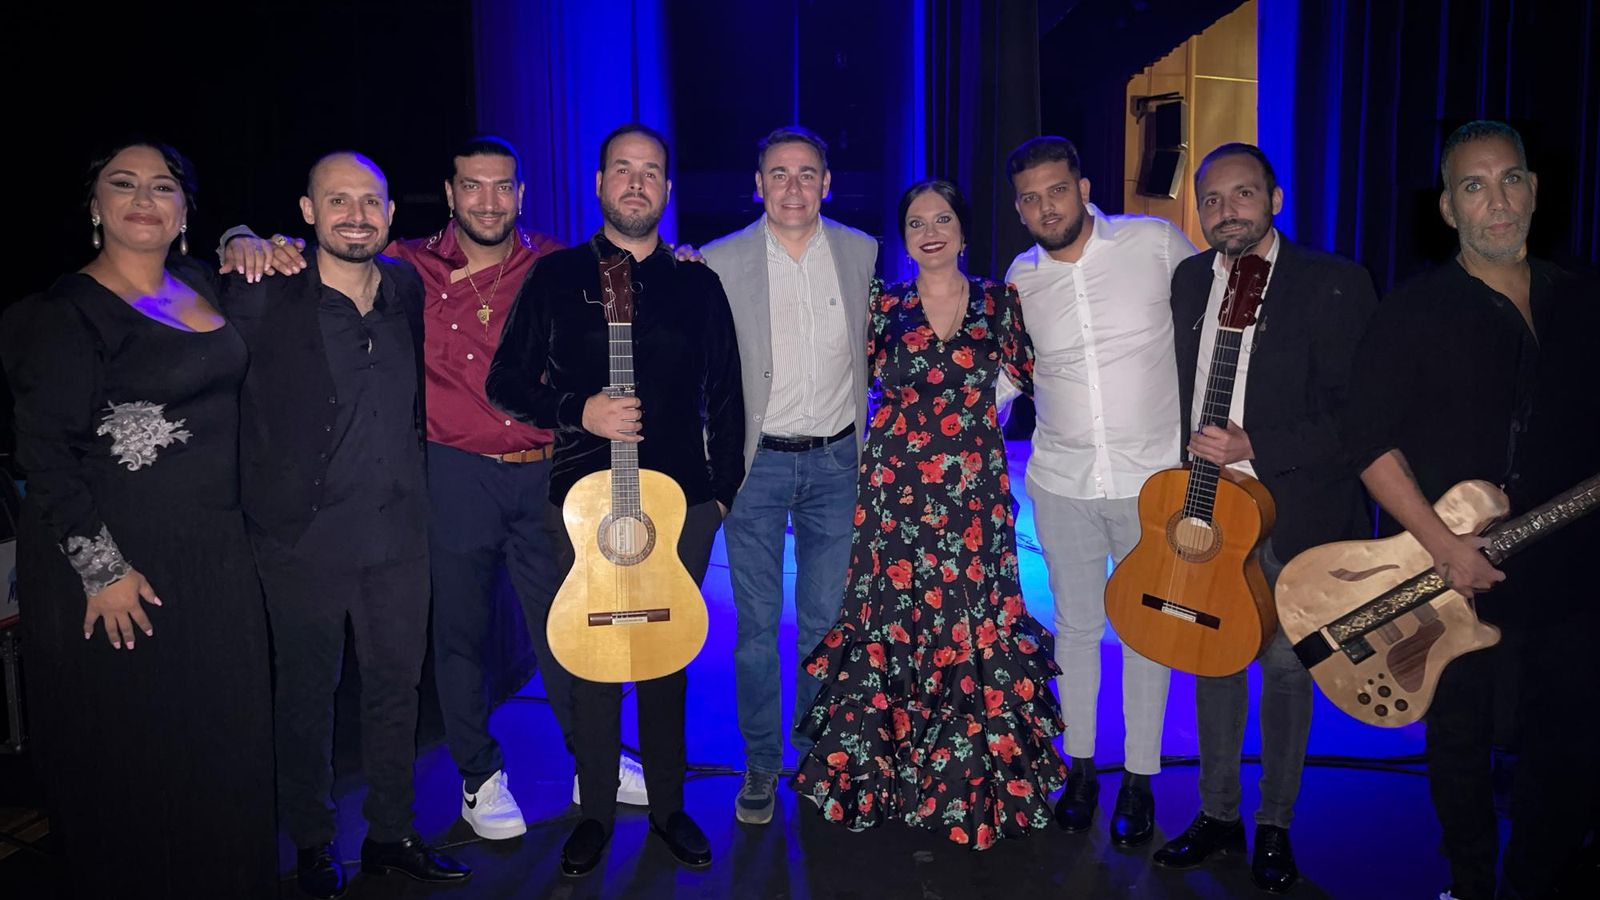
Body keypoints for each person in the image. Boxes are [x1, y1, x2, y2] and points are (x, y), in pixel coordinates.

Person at [220, 138, 650, 836]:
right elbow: (322, 256)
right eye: (472, 186)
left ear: (521, 194)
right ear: (449, 195)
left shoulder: (557, 263)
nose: (489, 200)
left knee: (568, 628)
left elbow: (636, 279)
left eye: (502, 186)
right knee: (458, 636)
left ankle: (593, 759)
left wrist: (680, 258)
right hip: (450, 474)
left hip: (545, 471)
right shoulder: (406, 267)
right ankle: (479, 778)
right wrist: (243, 237)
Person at [0, 140, 276, 898]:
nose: (144, 199)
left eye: (162, 186)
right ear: (94, 207)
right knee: (134, 756)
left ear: (186, 209)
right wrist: (104, 572)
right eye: (123, 185)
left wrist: (242, 235)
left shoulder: (200, 283)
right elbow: (45, 456)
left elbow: (252, 256)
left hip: (215, 556)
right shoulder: (62, 314)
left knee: (225, 742)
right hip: (118, 568)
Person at [1344, 120, 1600, 900]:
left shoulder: (1582, 297)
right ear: (1449, 207)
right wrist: (1444, 547)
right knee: (1461, 738)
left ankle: (1536, 876)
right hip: (1454, 570)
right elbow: (1369, 444)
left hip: (1573, 571)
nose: (1499, 201)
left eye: (1511, 179)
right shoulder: (1413, 312)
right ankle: (1470, 882)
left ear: (1534, 189)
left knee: (1571, 739)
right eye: (1475, 186)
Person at [487, 123, 745, 877]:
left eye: (652, 171)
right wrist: (580, 410)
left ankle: (668, 806)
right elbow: (505, 383)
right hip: (580, 505)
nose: (637, 183)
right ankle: (595, 809)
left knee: (666, 659)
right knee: (591, 658)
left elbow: (728, 394)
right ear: (599, 183)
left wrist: (721, 496)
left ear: (667, 188)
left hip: (682, 508)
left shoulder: (696, 283)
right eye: (623, 170)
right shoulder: (556, 276)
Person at [221, 152, 469, 898]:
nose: (355, 215)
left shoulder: (403, 287)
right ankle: (312, 841)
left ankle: (391, 833)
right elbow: (186, 283)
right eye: (338, 201)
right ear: (307, 211)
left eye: (369, 201)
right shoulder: (264, 293)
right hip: (303, 539)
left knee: (397, 690)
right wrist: (236, 236)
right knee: (307, 696)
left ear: (390, 214)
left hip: (400, 536)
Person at [792, 179, 1067, 850]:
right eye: (916, 223)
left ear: (964, 231)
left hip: (973, 499)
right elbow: (824, 363)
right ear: (904, 238)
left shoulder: (1002, 303)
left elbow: (1043, 379)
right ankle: (886, 778)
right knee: (892, 622)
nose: (931, 231)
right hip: (895, 497)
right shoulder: (882, 307)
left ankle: (967, 782)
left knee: (972, 623)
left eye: (943, 219)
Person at [1150, 143, 1377, 892]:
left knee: (1284, 670)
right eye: (1212, 200)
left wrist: (1258, 444)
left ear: (1275, 199)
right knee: (1212, 662)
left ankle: (1275, 824)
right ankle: (1218, 814)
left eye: (1242, 195)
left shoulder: (1334, 283)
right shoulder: (1190, 280)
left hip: (1296, 510)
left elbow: (1360, 420)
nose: (1227, 212)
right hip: (1208, 509)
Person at [1002, 136, 1195, 846]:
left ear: (1083, 189)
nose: (1046, 207)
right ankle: (1079, 769)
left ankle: (1140, 779)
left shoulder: (1155, 243)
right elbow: (1008, 374)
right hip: (1062, 481)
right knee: (1076, 630)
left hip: (1153, 485)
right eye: (1030, 198)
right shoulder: (1019, 279)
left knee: (1147, 632)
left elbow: (1211, 328)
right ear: (1019, 209)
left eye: (1057, 190)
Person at [699, 126, 878, 825]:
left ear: (827, 184)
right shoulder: (719, 261)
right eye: (779, 174)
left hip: (837, 461)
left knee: (825, 623)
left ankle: (814, 752)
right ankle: (760, 762)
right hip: (757, 465)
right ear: (758, 185)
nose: (794, 187)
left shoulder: (862, 252)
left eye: (807, 174)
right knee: (754, 627)